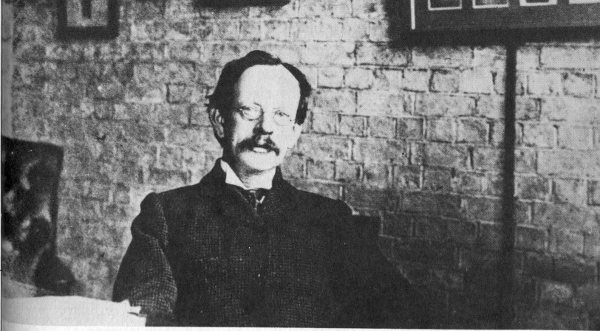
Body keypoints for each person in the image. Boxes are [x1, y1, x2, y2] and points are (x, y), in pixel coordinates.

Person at [113, 50, 429, 327]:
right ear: (219, 120)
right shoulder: (166, 216)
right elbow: (144, 317)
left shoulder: (332, 220)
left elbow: (404, 315)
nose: (265, 127)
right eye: (249, 111)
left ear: (294, 133)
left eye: (280, 116)